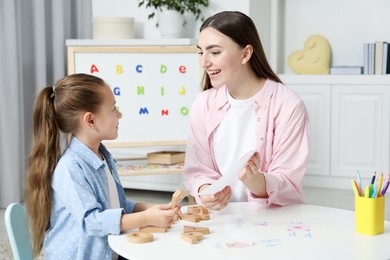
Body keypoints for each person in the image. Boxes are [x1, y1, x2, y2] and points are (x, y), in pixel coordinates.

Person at [25, 73, 179, 259]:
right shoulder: (70, 168)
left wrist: (154, 208)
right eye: (114, 109)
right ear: (90, 120)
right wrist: (146, 218)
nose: (120, 114)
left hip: (110, 250)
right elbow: (93, 221)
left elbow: (118, 205)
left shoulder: (102, 157)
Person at [183, 11, 309, 211]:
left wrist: (255, 180)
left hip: (273, 220)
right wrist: (206, 190)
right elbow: (197, 170)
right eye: (201, 52)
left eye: (214, 52)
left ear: (246, 53)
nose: (204, 62)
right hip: (221, 220)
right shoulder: (203, 104)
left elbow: (288, 183)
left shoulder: (288, 105)